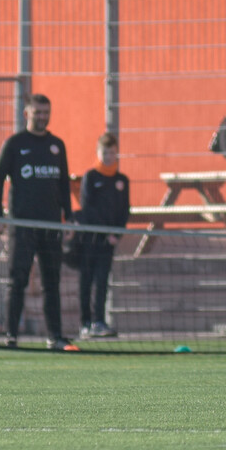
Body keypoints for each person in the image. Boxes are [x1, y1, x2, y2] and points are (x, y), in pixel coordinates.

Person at [0, 93, 75, 350]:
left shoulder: (57, 145)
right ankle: (11, 336)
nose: (42, 117)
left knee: (52, 282)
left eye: (45, 112)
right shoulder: (15, 144)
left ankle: (55, 337)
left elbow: (63, 185)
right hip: (22, 225)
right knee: (18, 280)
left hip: (51, 226)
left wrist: (68, 218)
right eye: (37, 112)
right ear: (26, 113)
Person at [77, 132, 129, 339]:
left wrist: (117, 232)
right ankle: (85, 323)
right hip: (90, 240)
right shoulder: (91, 177)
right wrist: (104, 231)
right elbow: (87, 207)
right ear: (99, 153)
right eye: (105, 152)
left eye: (112, 152)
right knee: (86, 281)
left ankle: (99, 321)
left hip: (109, 242)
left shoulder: (121, 180)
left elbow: (125, 209)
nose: (108, 156)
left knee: (102, 281)